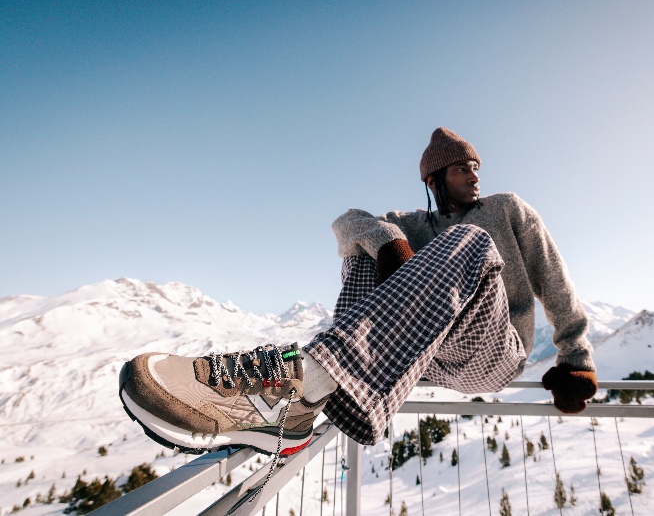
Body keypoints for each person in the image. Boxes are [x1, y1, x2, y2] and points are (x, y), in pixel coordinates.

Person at [119, 127, 597, 457]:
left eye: (475, 166)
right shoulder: (414, 221)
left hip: (492, 348)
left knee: (469, 240)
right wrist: (390, 241)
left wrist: (576, 358)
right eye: (459, 169)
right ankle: (298, 405)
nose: (473, 174)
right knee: (365, 248)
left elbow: (554, 279)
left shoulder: (506, 209)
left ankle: (297, 383)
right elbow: (346, 222)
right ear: (434, 181)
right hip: (431, 356)